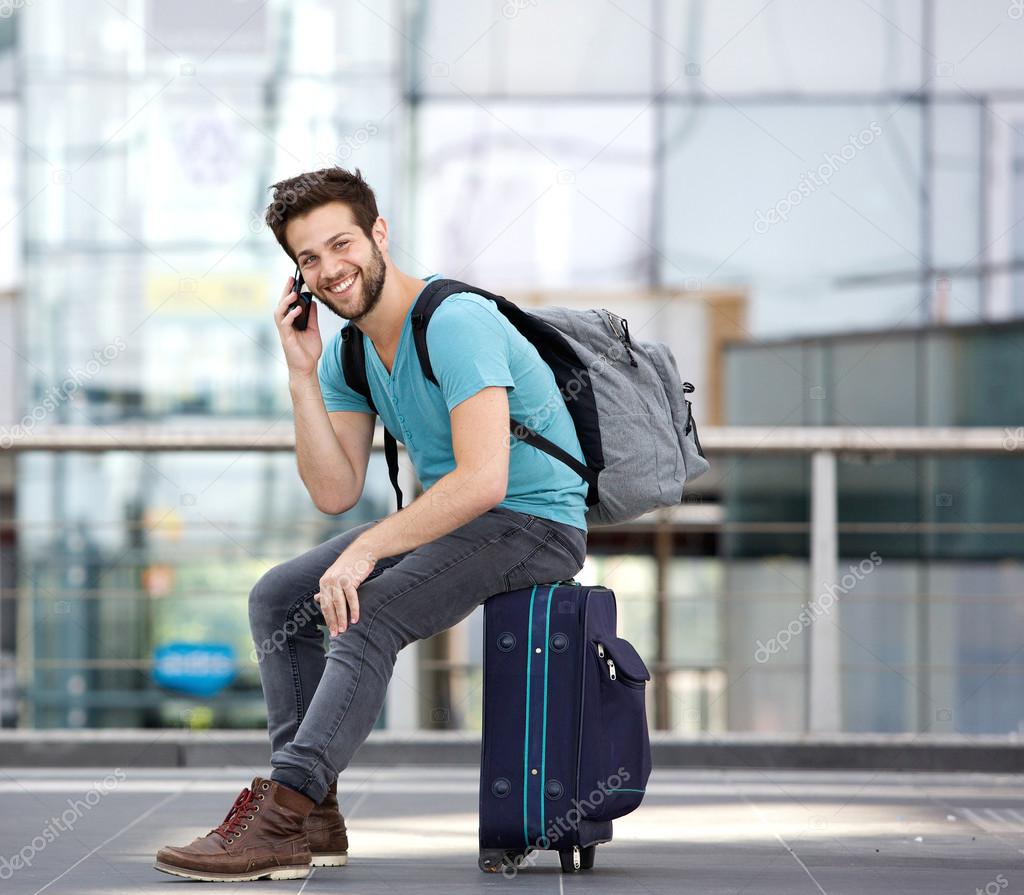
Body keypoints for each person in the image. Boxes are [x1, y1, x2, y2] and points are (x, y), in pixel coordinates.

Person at [154, 167, 589, 882]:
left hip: (534, 520)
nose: (330, 269)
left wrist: (365, 551)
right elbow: (334, 488)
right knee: (277, 596)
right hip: (466, 520)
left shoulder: (455, 322)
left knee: (369, 606)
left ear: (378, 233)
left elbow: (486, 478)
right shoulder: (352, 352)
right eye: (308, 259)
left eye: (341, 244)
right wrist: (302, 372)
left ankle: (279, 817)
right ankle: (315, 815)